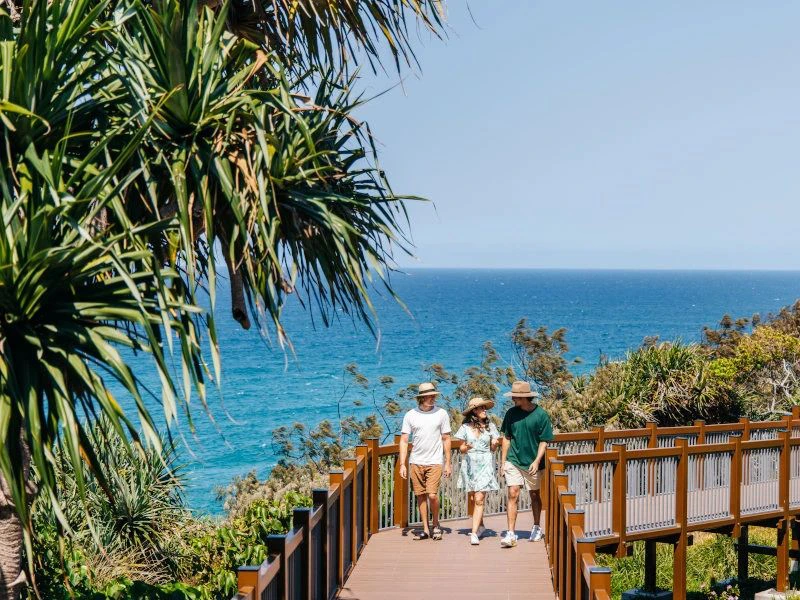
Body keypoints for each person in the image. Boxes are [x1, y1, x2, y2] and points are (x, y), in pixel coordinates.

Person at [499, 380, 554, 548]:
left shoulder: (541, 415)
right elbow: (506, 438)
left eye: (515, 396)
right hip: (513, 460)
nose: (513, 399)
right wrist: (503, 462)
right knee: (513, 493)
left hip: (533, 463)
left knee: (534, 495)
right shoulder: (511, 413)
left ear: (524, 397)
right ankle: (510, 533)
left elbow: (544, 441)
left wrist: (537, 461)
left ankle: (536, 526)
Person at [398, 382, 452, 540]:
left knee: (432, 495)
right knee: (420, 495)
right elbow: (404, 440)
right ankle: (426, 529)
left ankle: (436, 524)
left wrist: (448, 463)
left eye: (433, 395)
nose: (432, 398)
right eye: (429, 396)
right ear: (421, 398)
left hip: (435, 461)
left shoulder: (441, 413)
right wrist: (402, 464)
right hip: (416, 461)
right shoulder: (410, 415)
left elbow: (446, 438)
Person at [455, 397, 500, 546]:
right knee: (474, 499)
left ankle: (474, 533)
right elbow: (461, 449)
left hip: (485, 464)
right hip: (469, 465)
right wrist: (466, 447)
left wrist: (495, 444)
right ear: (474, 411)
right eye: (481, 408)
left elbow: (493, 449)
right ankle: (481, 526)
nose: (484, 410)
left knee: (479, 499)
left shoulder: (490, 427)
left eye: (485, 407)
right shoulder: (465, 428)